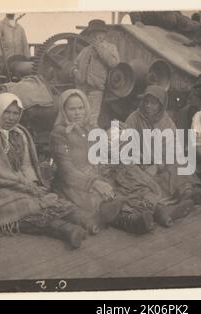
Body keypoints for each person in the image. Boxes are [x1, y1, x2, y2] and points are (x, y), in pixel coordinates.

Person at [0, 93, 88, 249]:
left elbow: (26, 166)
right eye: (7, 112)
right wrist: (22, 187)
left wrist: (33, 187)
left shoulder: (19, 133)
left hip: (16, 183)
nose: (11, 118)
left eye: (16, 113)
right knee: (19, 206)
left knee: (44, 198)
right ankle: (64, 229)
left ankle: (84, 220)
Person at [50, 89, 159, 235]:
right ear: (63, 111)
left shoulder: (88, 128)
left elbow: (103, 153)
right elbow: (67, 171)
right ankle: (132, 221)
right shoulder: (59, 134)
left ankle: (150, 213)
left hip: (95, 173)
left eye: (81, 108)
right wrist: (94, 182)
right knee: (100, 199)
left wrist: (113, 136)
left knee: (126, 183)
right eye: (72, 109)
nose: (77, 113)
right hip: (72, 183)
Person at [125, 85, 201, 227]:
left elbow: (173, 145)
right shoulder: (134, 118)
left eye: (153, 103)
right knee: (141, 179)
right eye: (146, 102)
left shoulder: (166, 121)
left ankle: (187, 193)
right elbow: (126, 144)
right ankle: (174, 203)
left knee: (178, 162)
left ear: (161, 105)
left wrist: (159, 163)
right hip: (141, 162)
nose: (148, 106)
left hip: (162, 161)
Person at [71, 19, 120, 127]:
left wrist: (99, 48)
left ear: (104, 34)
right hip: (81, 88)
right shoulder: (85, 50)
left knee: (91, 120)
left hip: (95, 89)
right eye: (93, 33)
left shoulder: (110, 47)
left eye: (98, 33)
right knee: (80, 119)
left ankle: (92, 141)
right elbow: (74, 64)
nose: (95, 36)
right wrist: (76, 72)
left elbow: (114, 63)